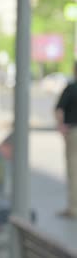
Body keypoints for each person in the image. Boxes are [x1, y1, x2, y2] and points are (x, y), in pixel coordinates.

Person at [54, 62, 77, 219]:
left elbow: (59, 109)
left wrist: (61, 126)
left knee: (73, 170)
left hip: (73, 132)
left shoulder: (71, 88)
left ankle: (73, 208)